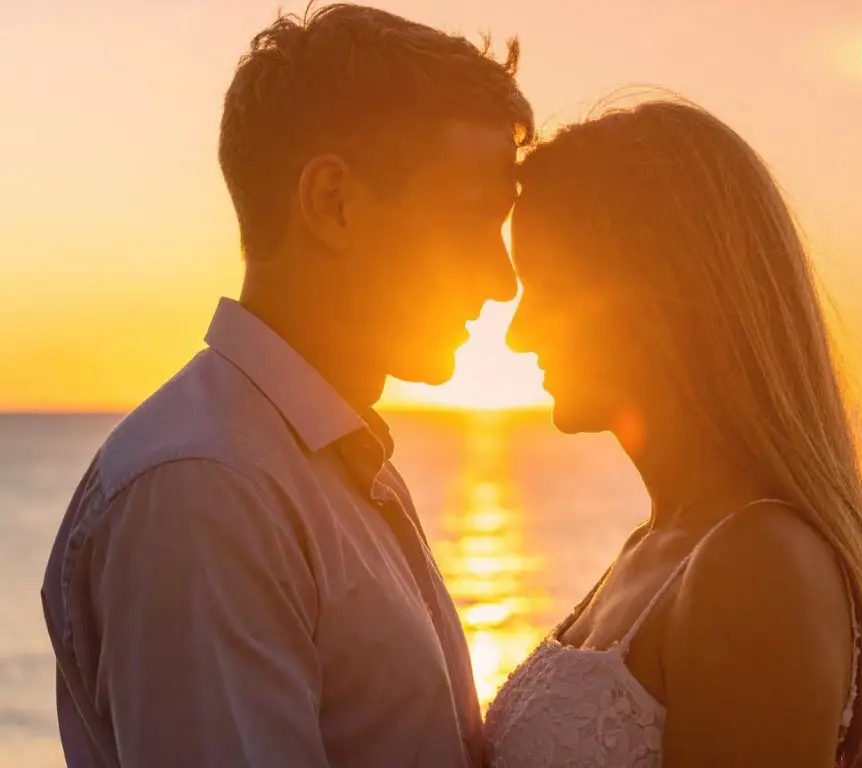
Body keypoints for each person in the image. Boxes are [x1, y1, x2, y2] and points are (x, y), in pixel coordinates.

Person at [40, 5, 533, 766]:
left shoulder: (325, 464)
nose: (501, 282)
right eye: (472, 221)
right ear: (332, 202)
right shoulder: (207, 490)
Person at [485, 97, 862, 767]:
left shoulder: (759, 565)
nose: (518, 334)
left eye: (546, 288)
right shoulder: (656, 547)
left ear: (651, 296)